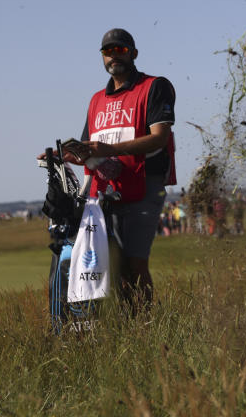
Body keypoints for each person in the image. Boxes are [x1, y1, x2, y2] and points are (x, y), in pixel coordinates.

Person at [62, 28, 176, 310]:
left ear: (134, 53)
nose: (114, 56)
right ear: (102, 57)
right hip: (104, 190)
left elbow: (159, 137)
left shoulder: (155, 86)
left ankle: (146, 324)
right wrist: (61, 155)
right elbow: (90, 149)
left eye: (121, 50)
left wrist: (110, 150)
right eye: (108, 51)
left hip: (144, 184)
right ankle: (126, 321)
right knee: (112, 262)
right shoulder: (96, 100)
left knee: (136, 263)